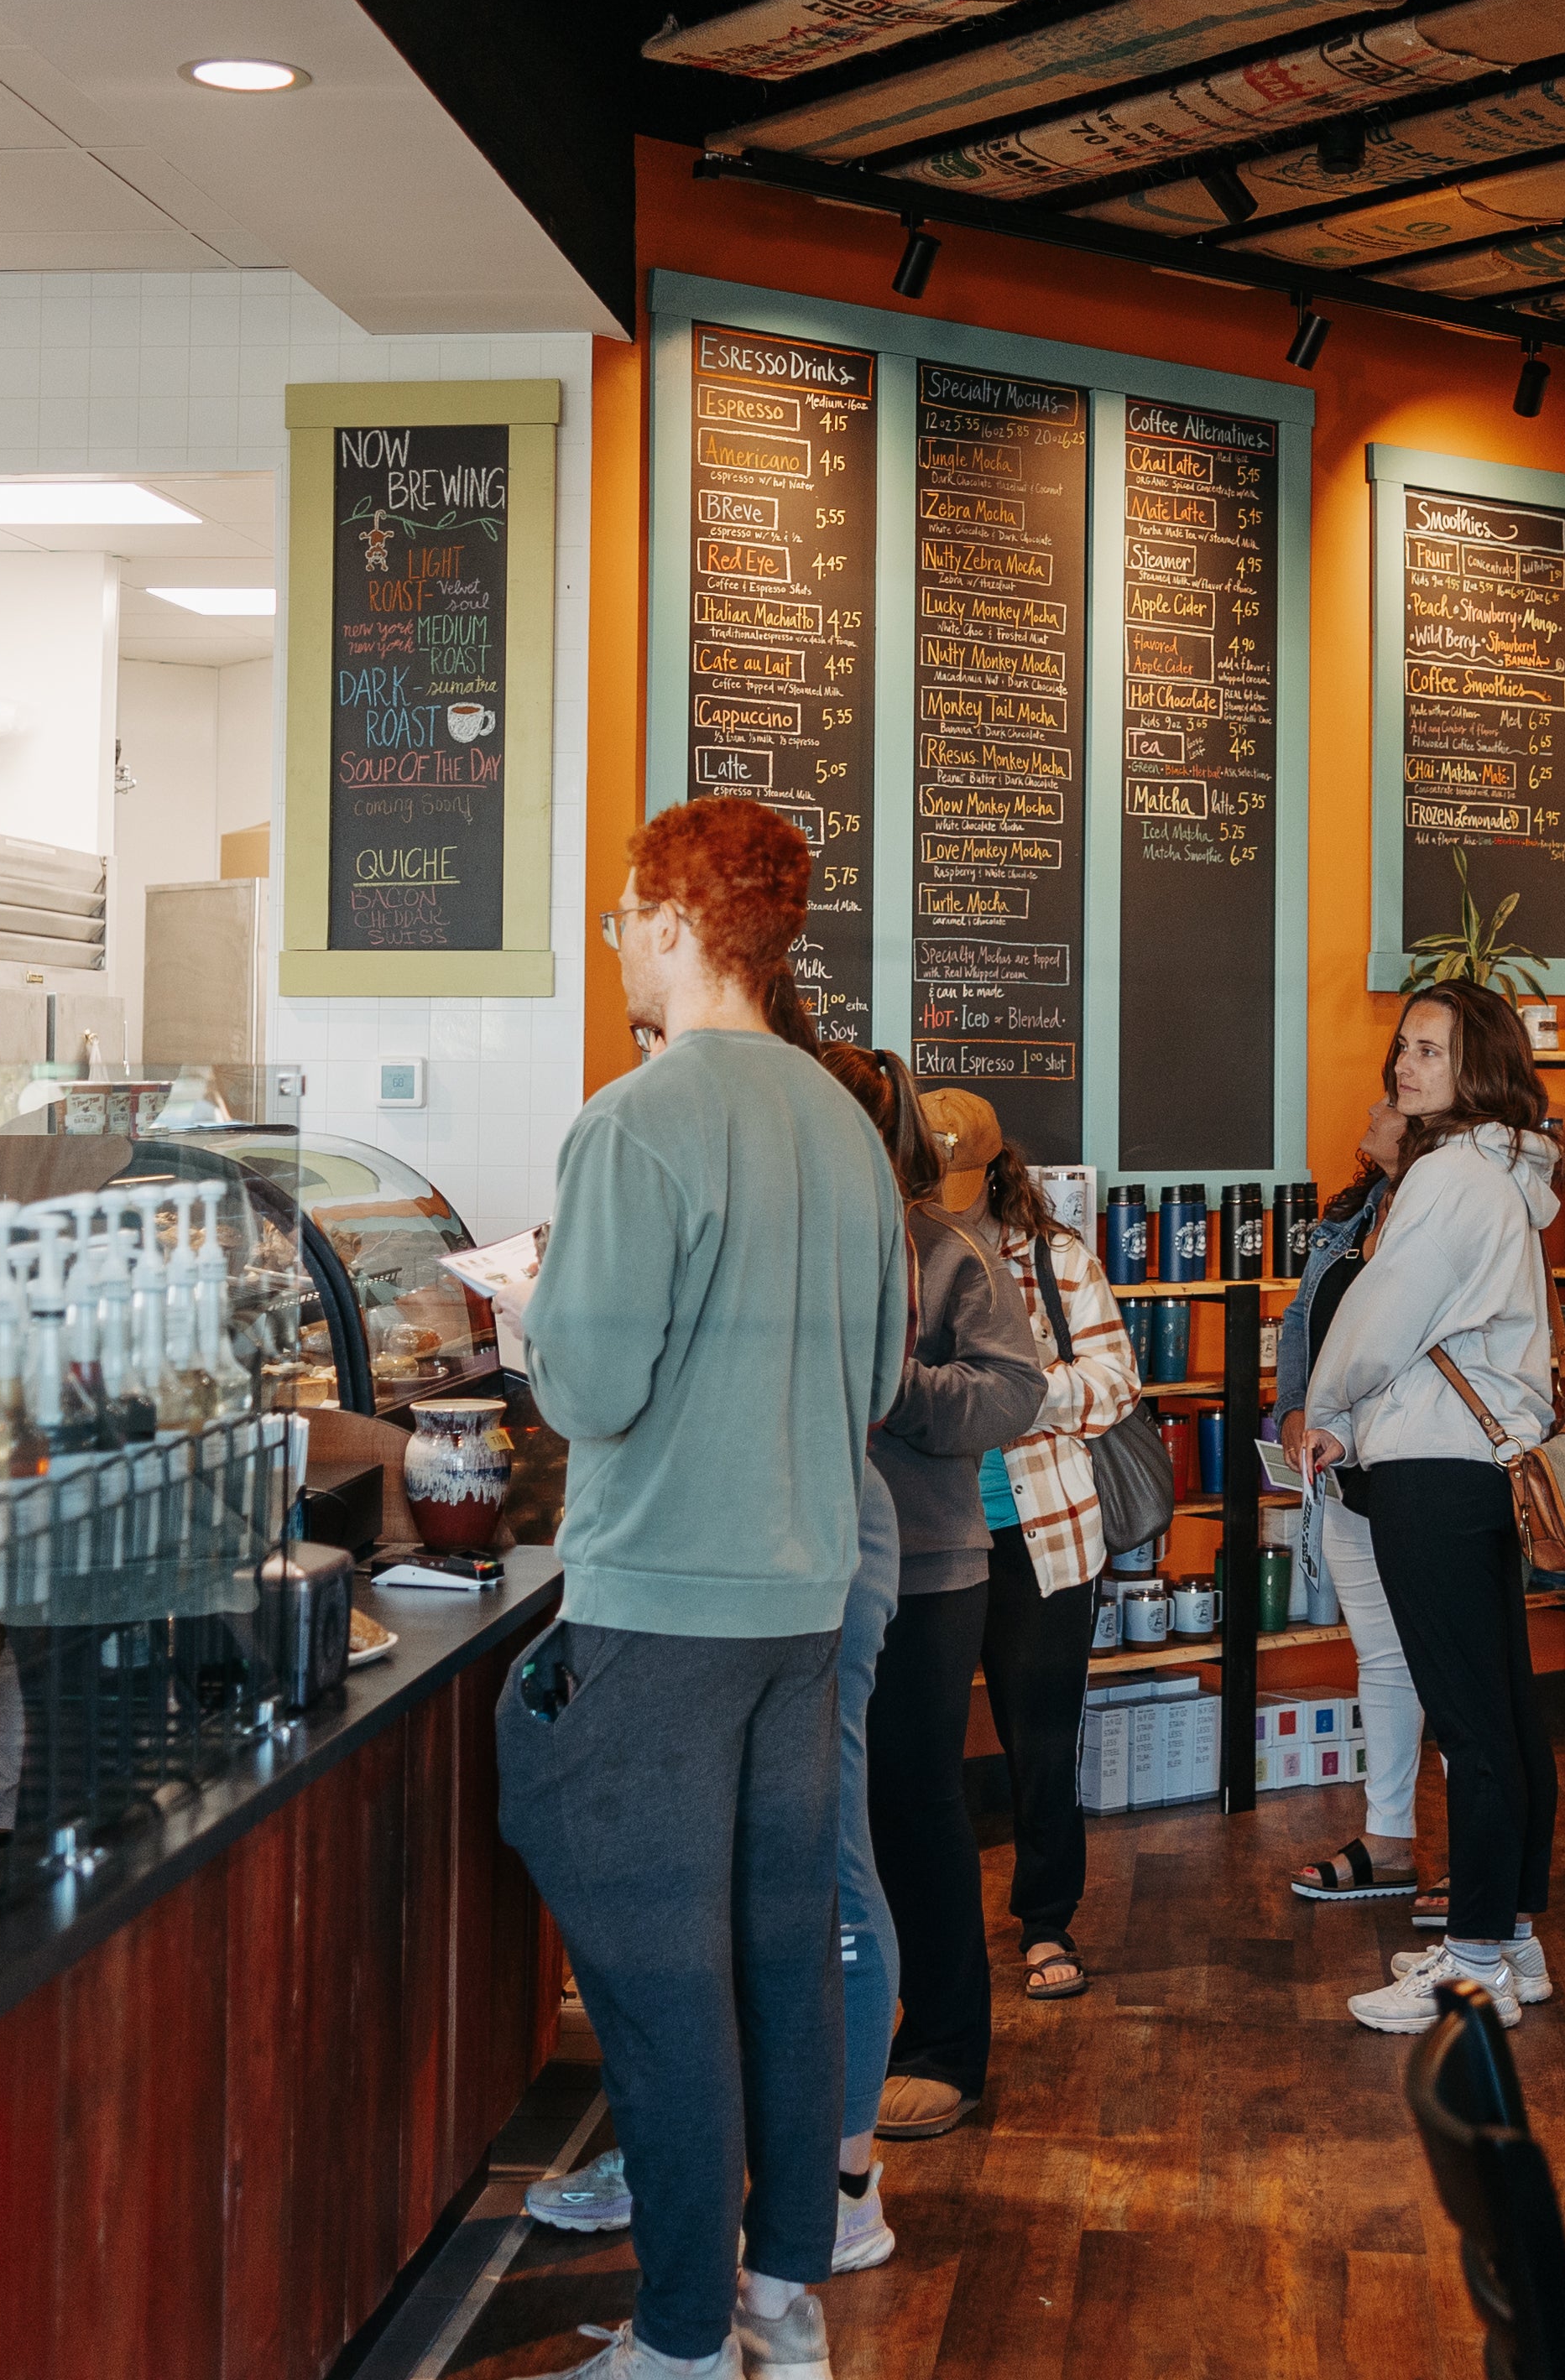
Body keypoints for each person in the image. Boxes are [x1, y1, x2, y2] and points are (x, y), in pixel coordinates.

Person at [498, 799, 907, 2380]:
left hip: (660, 1607)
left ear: (672, 920)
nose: (617, 945)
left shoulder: (635, 1120)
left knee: (663, 1991)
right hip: (801, 1606)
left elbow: (589, 1389)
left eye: (619, 918)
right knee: (779, 1953)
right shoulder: (838, 1120)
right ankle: (781, 2299)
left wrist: (533, 1308)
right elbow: (873, 1377)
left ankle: (678, 2341)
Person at [1295, 982, 1565, 2032]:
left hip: (1429, 1469)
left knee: (1471, 1724)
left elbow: (1378, 1318)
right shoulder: (1501, 1173)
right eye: (1403, 1046)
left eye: (1430, 1050)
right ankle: (1513, 1940)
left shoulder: (1452, 1176)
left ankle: (1475, 1964)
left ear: (1479, 1066)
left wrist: (1327, 1407)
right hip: (1477, 1469)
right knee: (1501, 1714)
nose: (1404, 1065)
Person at [821, 1048, 1046, 2142]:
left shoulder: (946, 1248)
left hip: (923, 1566)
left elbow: (1016, 1390)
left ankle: (948, 2046)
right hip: (806, 1568)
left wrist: (892, 1388)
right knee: (839, 1814)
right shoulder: (794, 1243)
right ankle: (855, 2034)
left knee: (912, 1803)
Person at [920, 1085, 1139, 2009]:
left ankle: (1047, 1919)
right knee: (917, 1750)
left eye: (962, 1182)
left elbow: (1116, 1383)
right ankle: (923, 1931)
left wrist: (1010, 1391)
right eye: (932, 1181)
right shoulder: (891, 1247)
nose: (949, 1199)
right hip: (924, 1537)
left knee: (1041, 1740)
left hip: (1039, 1535)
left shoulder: (1055, 1258)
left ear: (995, 1169)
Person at [1275, 1099, 1430, 1909]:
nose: (1371, 1110)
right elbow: (1304, 1318)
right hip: (1343, 1475)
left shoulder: (1447, 1211)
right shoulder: (1353, 1213)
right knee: (1384, 1661)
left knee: (1454, 1669)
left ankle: (1488, 1864)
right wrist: (1294, 1407)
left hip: (1420, 1469)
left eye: (1390, 1104)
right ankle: (1390, 1838)